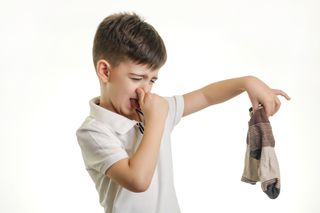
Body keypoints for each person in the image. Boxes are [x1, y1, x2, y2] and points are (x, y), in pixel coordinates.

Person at [76, 12, 290, 213]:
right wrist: (157, 119)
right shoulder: (94, 131)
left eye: (152, 80)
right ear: (105, 71)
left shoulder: (153, 109)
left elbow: (206, 96)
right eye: (136, 78)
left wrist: (247, 82)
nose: (146, 89)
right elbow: (138, 180)